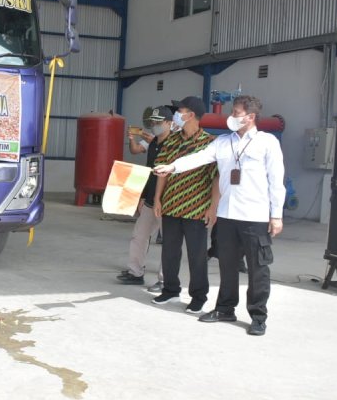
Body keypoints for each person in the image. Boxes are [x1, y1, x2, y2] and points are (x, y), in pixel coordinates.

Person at [154, 95, 285, 336]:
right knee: (227, 265)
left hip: (255, 216)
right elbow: (198, 158)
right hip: (226, 215)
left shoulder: (267, 143)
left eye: (236, 113)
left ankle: (258, 315)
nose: (231, 117)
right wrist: (172, 167)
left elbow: (277, 181)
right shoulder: (223, 143)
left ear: (251, 117)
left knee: (258, 269)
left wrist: (276, 215)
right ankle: (225, 308)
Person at [151, 96, 218, 315]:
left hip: (196, 207)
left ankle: (198, 296)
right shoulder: (172, 140)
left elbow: (216, 178)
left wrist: (212, 208)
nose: (177, 114)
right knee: (169, 252)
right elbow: (162, 171)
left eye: (180, 110)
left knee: (196, 255)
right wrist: (158, 199)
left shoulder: (210, 142)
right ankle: (170, 289)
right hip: (170, 204)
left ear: (191, 115)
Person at [117, 106, 173, 292]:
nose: (155, 126)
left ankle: (165, 281)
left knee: (169, 242)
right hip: (150, 199)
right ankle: (135, 272)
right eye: (154, 122)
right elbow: (150, 172)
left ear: (170, 123)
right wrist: (142, 196)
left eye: (159, 122)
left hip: (168, 201)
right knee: (139, 235)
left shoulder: (175, 144)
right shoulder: (154, 143)